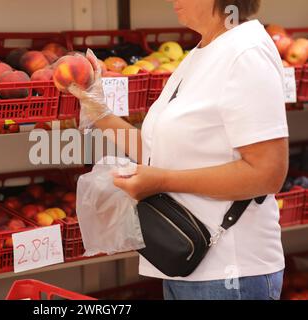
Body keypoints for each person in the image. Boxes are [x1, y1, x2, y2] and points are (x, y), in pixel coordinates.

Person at [69, 0, 289, 300]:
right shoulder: (202, 52)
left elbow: (267, 173)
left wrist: (160, 181)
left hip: (230, 272)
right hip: (182, 261)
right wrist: (97, 109)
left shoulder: (245, 54)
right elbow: (156, 151)